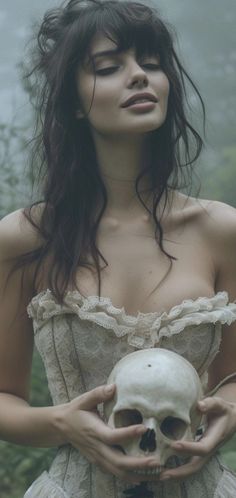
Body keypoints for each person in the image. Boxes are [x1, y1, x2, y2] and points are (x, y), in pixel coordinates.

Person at [0, 0, 236, 496]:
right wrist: (64, 423)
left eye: (151, 64)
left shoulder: (221, 230)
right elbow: (4, 399)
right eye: (109, 67)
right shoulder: (25, 239)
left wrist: (228, 413)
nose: (138, 77)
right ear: (73, 103)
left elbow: (234, 379)